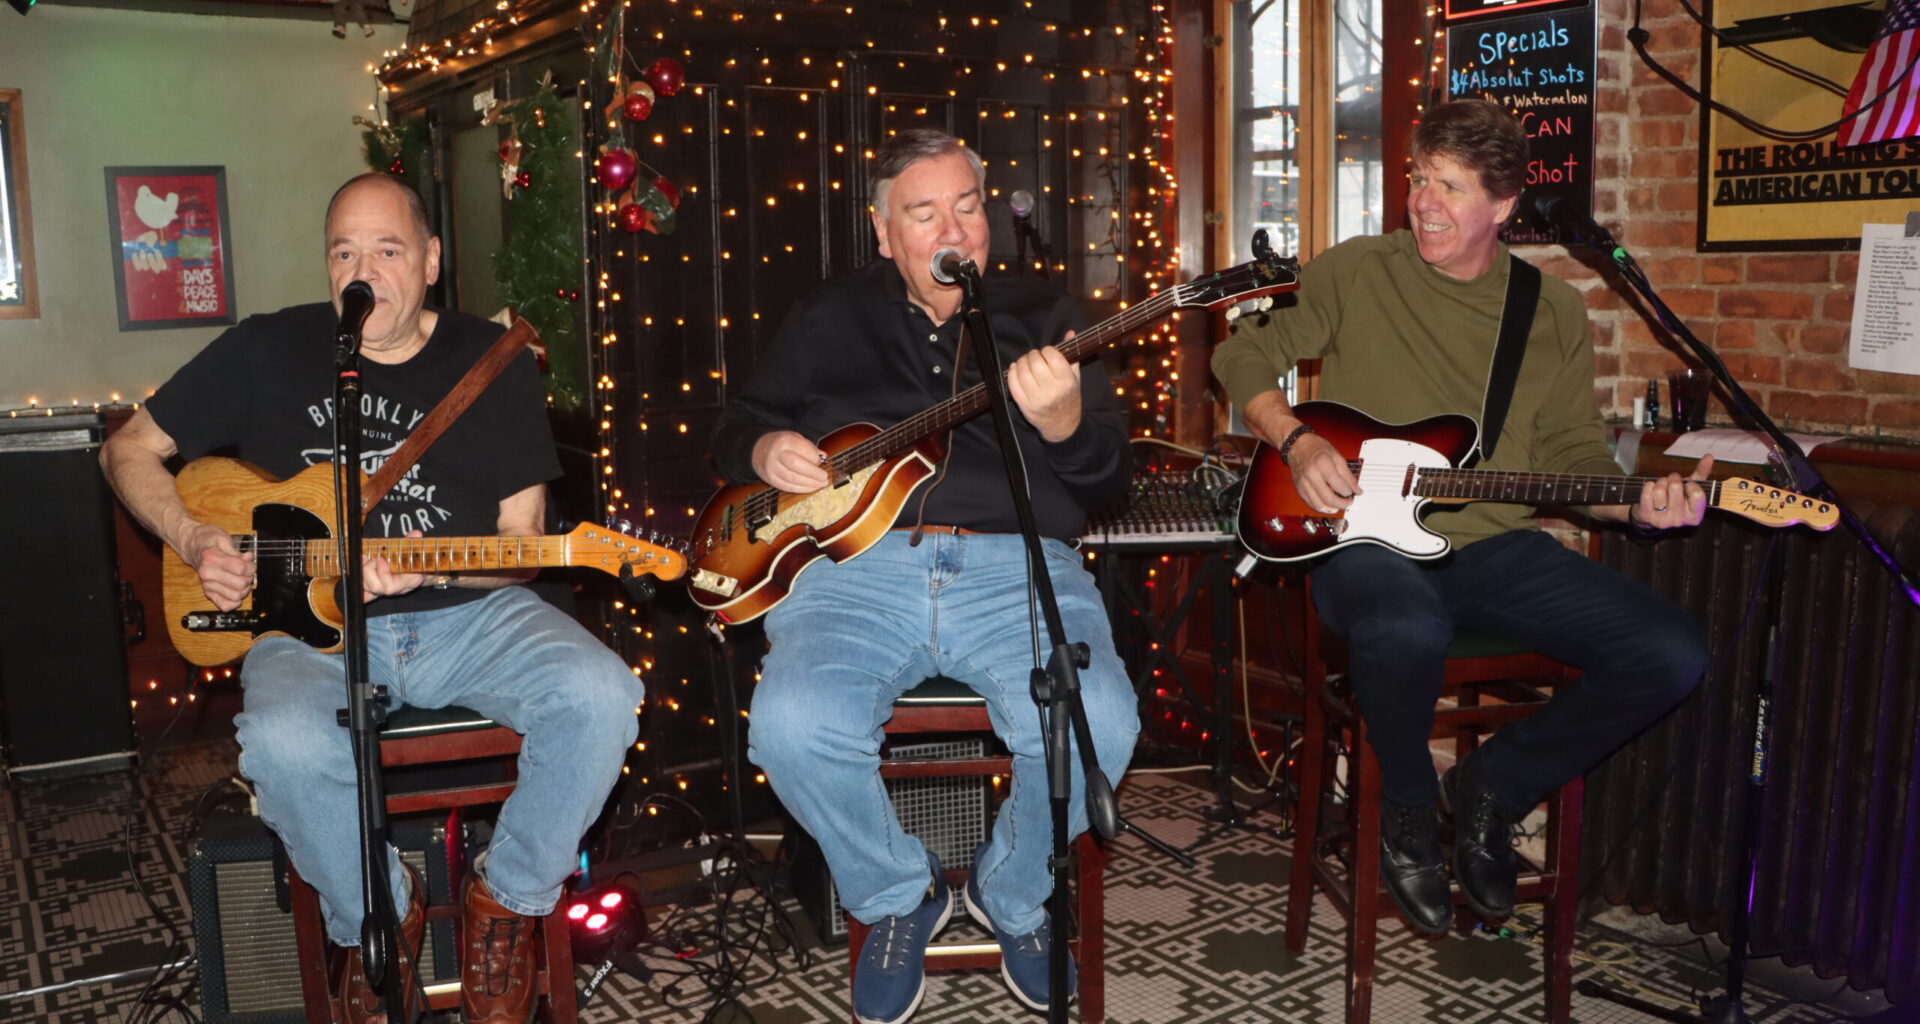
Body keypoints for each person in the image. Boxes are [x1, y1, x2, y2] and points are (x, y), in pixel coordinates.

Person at [99, 173, 642, 1024]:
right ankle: (377, 917)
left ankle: (508, 901)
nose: (363, 272)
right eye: (344, 253)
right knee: (280, 743)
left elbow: (521, 539)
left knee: (602, 695)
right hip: (307, 631)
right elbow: (127, 449)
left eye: (387, 250)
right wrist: (192, 536)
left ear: (430, 260)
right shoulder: (266, 348)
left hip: (469, 615)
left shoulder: (492, 359)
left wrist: (430, 571)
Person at [1211, 99, 1712, 936]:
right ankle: (1408, 809)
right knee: (1406, 625)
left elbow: (1571, 454)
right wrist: (1297, 442)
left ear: (1504, 205)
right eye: (1419, 178)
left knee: (1673, 652)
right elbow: (1243, 351)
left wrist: (1639, 505)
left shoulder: (1550, 311)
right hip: (1362, 543)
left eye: (1449, 185)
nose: (1423, 202)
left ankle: (1493, 786)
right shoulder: (1361, 269)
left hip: (1493, 549)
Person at [710, 128, 1140, 1024]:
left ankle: (1013, 893)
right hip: (855, 571)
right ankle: (897, 895)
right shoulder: (826, 317)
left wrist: (1064, 424)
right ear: (882, 231)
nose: (955, 229)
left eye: (968, 205)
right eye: (924, 212)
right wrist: (765, 446)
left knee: (1099, 721)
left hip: (1017, 566)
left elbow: (1110, 481)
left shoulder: (1050, 316)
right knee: (791, 726)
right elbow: (735, 424)